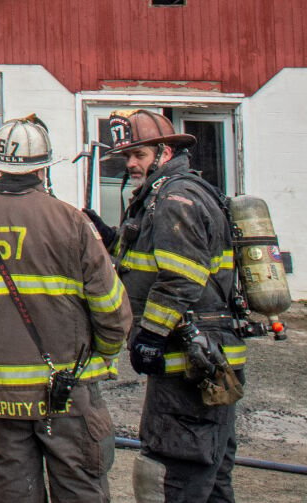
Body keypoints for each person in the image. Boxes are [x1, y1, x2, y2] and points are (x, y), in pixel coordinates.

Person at [0, 116, 132, 503]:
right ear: (43, 167)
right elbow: (112, 311)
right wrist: (100, 359)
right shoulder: (72, 223)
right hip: (69, 395)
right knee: (80, 492)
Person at [106, 110, 248, 503]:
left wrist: (150, 334)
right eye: (127, 158)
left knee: (174, 471)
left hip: (190, 362)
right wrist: (107, 237)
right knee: (212, 473)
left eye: (140, 154)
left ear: (165, 152)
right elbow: (150, 259)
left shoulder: (173, 199)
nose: (131, 164)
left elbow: (182, 276)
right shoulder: (174, 193)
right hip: (209, 357)